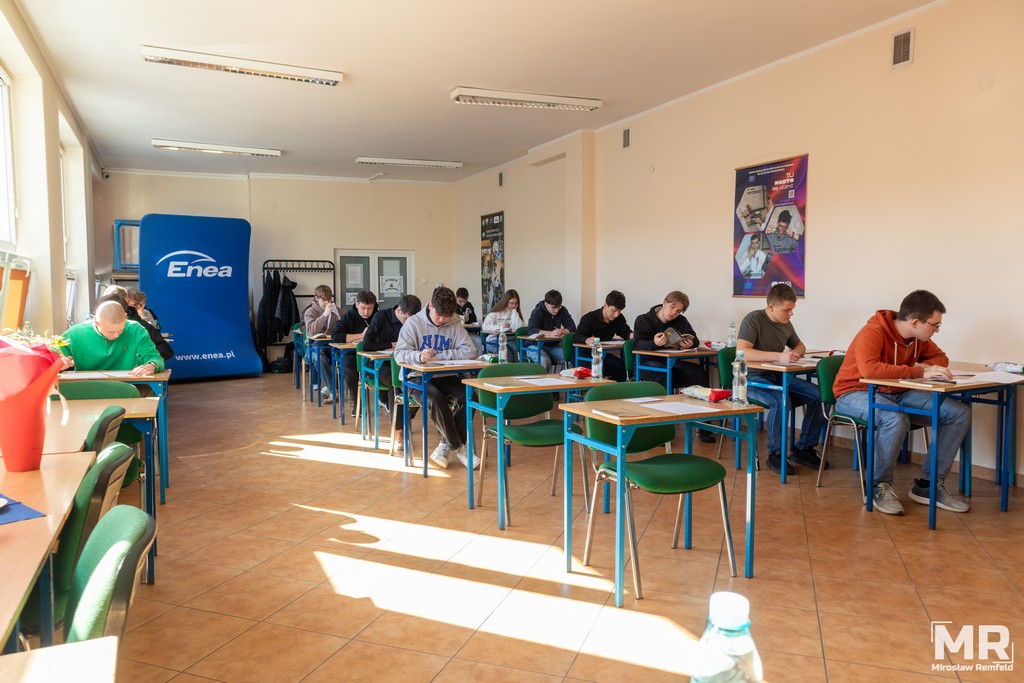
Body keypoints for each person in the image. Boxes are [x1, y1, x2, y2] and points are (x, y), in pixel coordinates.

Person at [833, 290, 970, 515]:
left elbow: (941, 358)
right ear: (915, 322)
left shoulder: (917, 338)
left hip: (896, 392)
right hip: (854, 393)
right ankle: (877, 486)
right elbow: (870, 370)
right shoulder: (873, 331)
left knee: (957, 413)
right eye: (935, 325)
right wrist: (918, 371)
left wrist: (923, 368)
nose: (936, 330)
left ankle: (927, 486)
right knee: (894, 418)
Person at [737, 283, 827, 474]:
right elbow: (742, 352)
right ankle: (775, 453)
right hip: (752, 379)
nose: (791, 314)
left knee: (820, 396)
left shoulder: (786, 323)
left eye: (792, 309)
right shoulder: (753, 319)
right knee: (780, 400)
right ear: (771, 307)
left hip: (779, 376)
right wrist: (779, 356)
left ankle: (803, 449)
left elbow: (800, 346)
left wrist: (794, 354)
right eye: (787, 310)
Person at [394, 286, 478, 470]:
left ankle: (444, 446)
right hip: (415, 377)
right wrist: (419, 356)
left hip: (445, 375)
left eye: (446, 317)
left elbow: (470, 351)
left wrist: (439, 356)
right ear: (430, 305)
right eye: (439, 315)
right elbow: (399, 354)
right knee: (434, 398)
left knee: (470, 396)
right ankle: (459, 448)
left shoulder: (454, 322)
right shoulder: (413, 323)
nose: (442, 320)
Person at [633, 291, 715, 443]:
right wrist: (654, 343)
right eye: (672, 307)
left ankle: (704, 427)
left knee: (698, 372)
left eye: (678, 311)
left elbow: (694, 338)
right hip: (647, 365)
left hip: (672, 363)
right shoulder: (643, 319)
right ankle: (660, 429)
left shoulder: (680, 320)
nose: (674, 313)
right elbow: (637, 344)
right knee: (663, 375)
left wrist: (690, 342)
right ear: (664, 302)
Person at [364, 294, 422, 452]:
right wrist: (391, 344)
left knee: (420, 382)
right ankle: (399, 430)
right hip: (380, 365)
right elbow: (366, 345)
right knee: (395, 381)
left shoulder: (416, 321)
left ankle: (403, 417)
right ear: (399, 310)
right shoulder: (380, 317)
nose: (409, 324)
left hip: (405, 364)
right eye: (406, 319)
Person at [62, 300, 164, 376]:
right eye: (110, 331)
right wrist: (59, 362)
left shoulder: (136, 330)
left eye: (121, 330)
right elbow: (54, 356)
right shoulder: (74, 333)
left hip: (128, 384)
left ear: (126, 317)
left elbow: (154, 357)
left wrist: (152, 365)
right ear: (96, 323)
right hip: (86, 385)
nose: (116, 335)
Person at [331, 291, 379, 416]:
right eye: (363, 308)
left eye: (370, 308)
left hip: (374, 354)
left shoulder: (379, 316)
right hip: (351, 354)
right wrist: (361, 336)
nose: (366, 312)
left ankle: (385, 399)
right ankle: (357, 402)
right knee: (349, 370)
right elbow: (336, 336)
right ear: (357, 304)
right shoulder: (348, 316)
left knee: (386, 369)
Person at [98, 286, 173, 361]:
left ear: (125, 312)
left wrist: (144, 360)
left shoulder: (138, 326)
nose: (116, 335)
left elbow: (165, 349)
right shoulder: (91, 329)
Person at [575, 290, 633, 382]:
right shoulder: (589, 318)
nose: (616, 315)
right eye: (613, 311)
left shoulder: (618, 318)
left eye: (619, 311)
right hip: (585, 355)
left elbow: (625, 332)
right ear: (605, 305)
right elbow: (577, 336)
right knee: (605, 368)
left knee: (624, 368)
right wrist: (586, 340)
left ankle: (614, 389)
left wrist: (632, 335)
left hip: (602, 355)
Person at [302, 285, 342, 404]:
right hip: (313, 346)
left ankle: (328, 389)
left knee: (346, 358)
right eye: (324, 300)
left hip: (332, 345)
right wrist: (324, 315)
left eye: (329, 299)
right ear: (316, 298)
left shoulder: (338, 311)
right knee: (320, 358)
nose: (327, 303)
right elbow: (311, 331)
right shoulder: (310, 312)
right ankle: (333, 391)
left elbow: (343, 328)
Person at [526, 289, 576, 371]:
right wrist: (550, 333)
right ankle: (545, 380)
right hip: (535, 345)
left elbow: (572, 327)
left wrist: (562, 331)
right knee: (544, 361)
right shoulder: (537, 311)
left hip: (552, 346)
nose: (556, 310)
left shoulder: (562, 310)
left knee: (570, 359)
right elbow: (532, 330)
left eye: (558, 307)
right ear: (546, 304)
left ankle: (562, 378)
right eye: (553, 308)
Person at [481, 289, 524, 361]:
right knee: (507, 355)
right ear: (505, 301)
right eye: (511, 303)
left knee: (517, 352)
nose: (514, 305)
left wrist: (514, 312)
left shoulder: (515, 312)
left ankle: (515, 368)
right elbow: (485, 326)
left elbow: (519, 328)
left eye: (516, 303)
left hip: (510, 339)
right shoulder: (496, 312)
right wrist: (500, 327)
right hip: (494, 340)